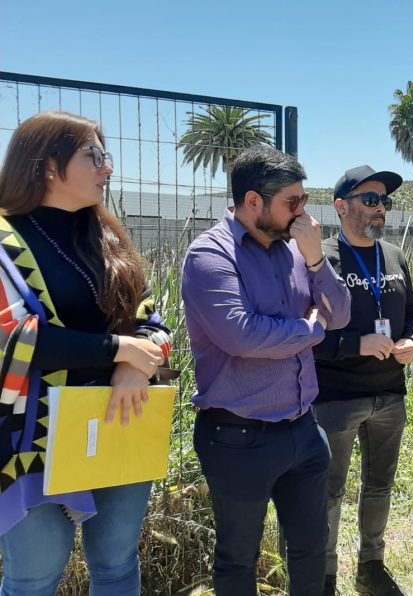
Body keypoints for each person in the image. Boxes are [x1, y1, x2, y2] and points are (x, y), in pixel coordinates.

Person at [0, 111, 172, 595]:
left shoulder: (107, 238)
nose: (107, 167)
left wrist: (137, 368)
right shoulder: (4, 239)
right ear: (46, 165)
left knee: (117, 564)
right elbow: (15, 340)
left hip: (122, 417)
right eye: (93, 156)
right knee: (34, 575)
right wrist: (120, 351)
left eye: (106, 155)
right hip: (31, 437)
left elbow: (151, 319)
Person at [181, 145, 351, 596]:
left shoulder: (297, 250)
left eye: (304, 199)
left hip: (302, 429)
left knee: (312, 547)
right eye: (292, 202)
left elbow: (339, 316)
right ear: (253, 201)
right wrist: (308, 331)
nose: (303, 213)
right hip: (237, 437)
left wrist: (316, 258)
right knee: (239, 557)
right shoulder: (209, 256)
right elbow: (241, 335)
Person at [312, 165, 413, 596]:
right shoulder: (320, 260)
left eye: (385, 202)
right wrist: (356, 345)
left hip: (390, 396)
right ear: (342, 207)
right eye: (370, 201)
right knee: (329, 493)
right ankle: (324, 577)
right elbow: (305, 335)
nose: (381, 210)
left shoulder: (394, 255)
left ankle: (371, 567)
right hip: (336, 398)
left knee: (379, 487)